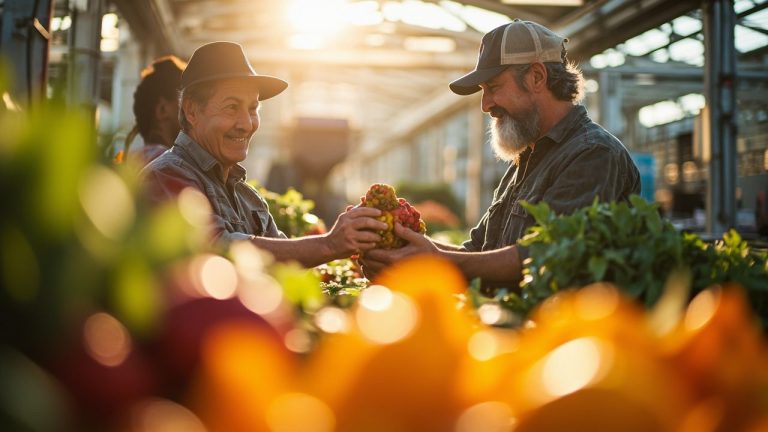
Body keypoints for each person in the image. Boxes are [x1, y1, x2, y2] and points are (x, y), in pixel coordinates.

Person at [361, 19, 641, 292]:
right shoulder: (528, 157)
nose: (485, 105)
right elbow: (478, 252)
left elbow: (548, 256)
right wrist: (403, 249)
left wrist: (435, 259)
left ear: (537, 77)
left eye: (493, 88)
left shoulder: (592, 154)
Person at [141, 41, 386, 267]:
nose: (246, 124)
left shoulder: (250, 199)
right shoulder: (166, 175)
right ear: (192, 111)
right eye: (231, 107)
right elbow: (216, 248)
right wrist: (329, 244)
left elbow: (285, 267)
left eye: (252, 109)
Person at [122, 56, 186, 165]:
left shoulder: (129, 162)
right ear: (162, 110)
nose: (192, 113)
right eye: (186, 103)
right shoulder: (170, 166)